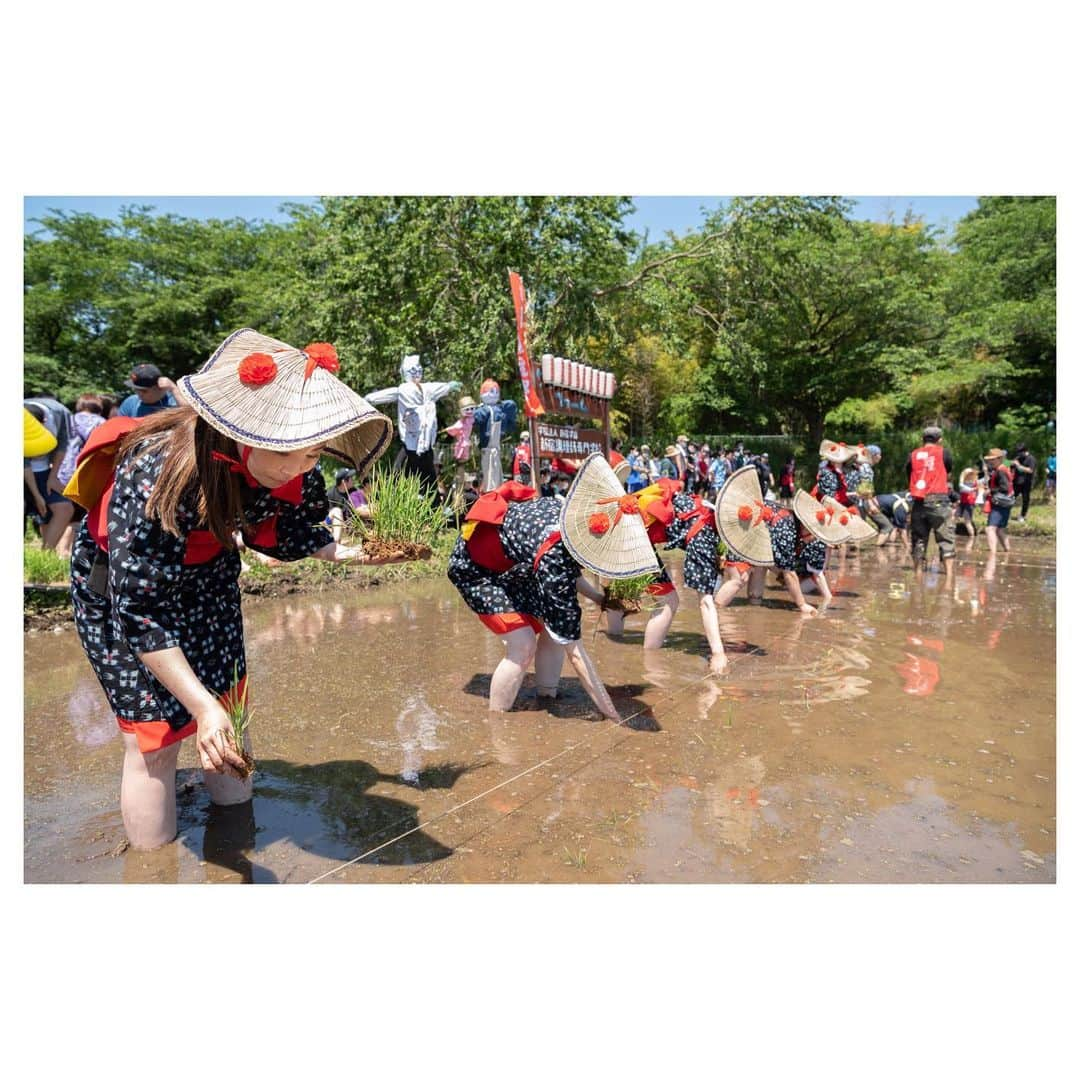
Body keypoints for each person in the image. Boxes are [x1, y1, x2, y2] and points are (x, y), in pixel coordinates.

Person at [65, 329, 396, 850]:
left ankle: (235, 826)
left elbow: (289, 534)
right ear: (241, 432)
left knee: (230, 704)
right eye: (287, 454)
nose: (299, 468)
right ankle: (153, 869)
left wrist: (353, 552)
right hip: (122, 591)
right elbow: (142, 610)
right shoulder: (158, 469)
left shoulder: (297, 460)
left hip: (209, 578)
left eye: (311, 456)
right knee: (154, 738)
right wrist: (198, 707)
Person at [447, 455, 656, 716]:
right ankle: (497, 722)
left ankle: (547, 696)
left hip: (515, 565)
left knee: (552, 627)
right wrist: (613, 715)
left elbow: (567, 572)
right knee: (522, 645)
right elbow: (576, 652)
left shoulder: (569, 523)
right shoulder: (554, 554)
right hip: (476, 570)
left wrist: (599, 599)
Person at [366, 355, 461, 495]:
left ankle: (431, 502)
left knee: (428, 477)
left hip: (426, 443)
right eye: (413, 369)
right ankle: (397, 497)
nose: (417, 372)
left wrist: (449, 386)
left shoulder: (427, 389)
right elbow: (386, 394)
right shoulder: (403, 389)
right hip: (410, 442)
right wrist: (368, 399)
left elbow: (439, 387)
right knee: (400, 472)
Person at [54, 393, 108, 559]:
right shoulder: (100, 423)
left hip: (59, 472)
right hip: (82, 473)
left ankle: (57, 549)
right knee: (78, 514)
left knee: (60, 511)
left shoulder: (68, 419)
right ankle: (64, 550)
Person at [23, 391, 75, 551]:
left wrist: (53, 477)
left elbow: (62, 445)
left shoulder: (61, 413)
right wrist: (37, 496)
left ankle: (46, 555)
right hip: (24, 471)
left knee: (64, 508)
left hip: (45, 470)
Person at [906, 425, 955, 578]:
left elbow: (909, 473)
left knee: (918, 538)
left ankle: (918, 574)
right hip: (939, 499)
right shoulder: (944, 453)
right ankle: (949, 577)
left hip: (918, 500)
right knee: (945, 536)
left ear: (922, 439)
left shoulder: (913, 455)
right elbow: (948, 469)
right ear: (939, 440)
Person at [982, 448, 1014, 554]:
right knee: (1000, 529)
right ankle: (1007, 552)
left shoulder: (1000, 471)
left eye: (993, 459)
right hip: (1006, 503)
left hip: (1000, 503)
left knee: (990, 529)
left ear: (1000, 459)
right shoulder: (1002, 469)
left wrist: (990, 491)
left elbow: (1004, 488)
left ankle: (992, 554)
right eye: (989, 459)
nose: (990, 462)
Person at [1011, 443, 1037, 522]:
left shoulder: (1031, 459)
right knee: (1011, 498)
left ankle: (1022, 515)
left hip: (1027, 483)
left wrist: (1018, 466)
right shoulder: (1018, 458)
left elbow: (1030, 470)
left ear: (1025, 451)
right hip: (1016, 482)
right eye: (1018, 453)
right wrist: (1008, 462)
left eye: (1020, 452)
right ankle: (1005, 513)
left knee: (1025, 500)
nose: (1018, 454)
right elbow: (1007, 464)